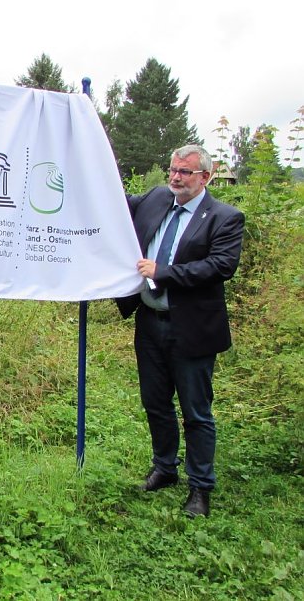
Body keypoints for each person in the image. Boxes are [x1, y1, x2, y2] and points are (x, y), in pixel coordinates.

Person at [116, 144, 244, 518]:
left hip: (192, 329)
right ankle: (164, 468)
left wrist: (163, 272)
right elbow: (117, 202)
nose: (175, 177)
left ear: (205, 176)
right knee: (155, 402)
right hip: (150, 323)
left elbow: (220, 266)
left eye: (185, 172)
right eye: (173, 170)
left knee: (196, 412)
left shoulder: (224, 217)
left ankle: (200, 487)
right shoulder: (157, 198)